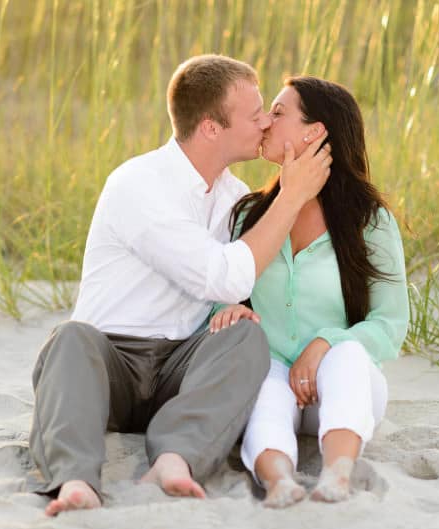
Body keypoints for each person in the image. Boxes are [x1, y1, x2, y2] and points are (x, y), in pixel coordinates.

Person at [28, 54, 335, 517]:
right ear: (211, 128)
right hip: (108, 364)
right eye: (254, 116)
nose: (266, 122)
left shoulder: (234, 197)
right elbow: (224, 274)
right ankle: (75, 480)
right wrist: (291, 196)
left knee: (245, 337)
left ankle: (174, 460)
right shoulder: (138, 184)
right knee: (69, 338)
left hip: (181, 369)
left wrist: (237, 309)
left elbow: (241, 285)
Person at [207, 76, 408, 508]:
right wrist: (229, 310)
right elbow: (222, 290)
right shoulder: (248, 215)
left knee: (348, 356)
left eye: (278, 113)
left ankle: (337, 473)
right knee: (260, 378)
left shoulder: (370, 222)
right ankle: (279, 480)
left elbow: (391, 324)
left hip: (343, 385)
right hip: (276, 371)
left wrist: (325, 342)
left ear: (314, 132)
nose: (264, 122)